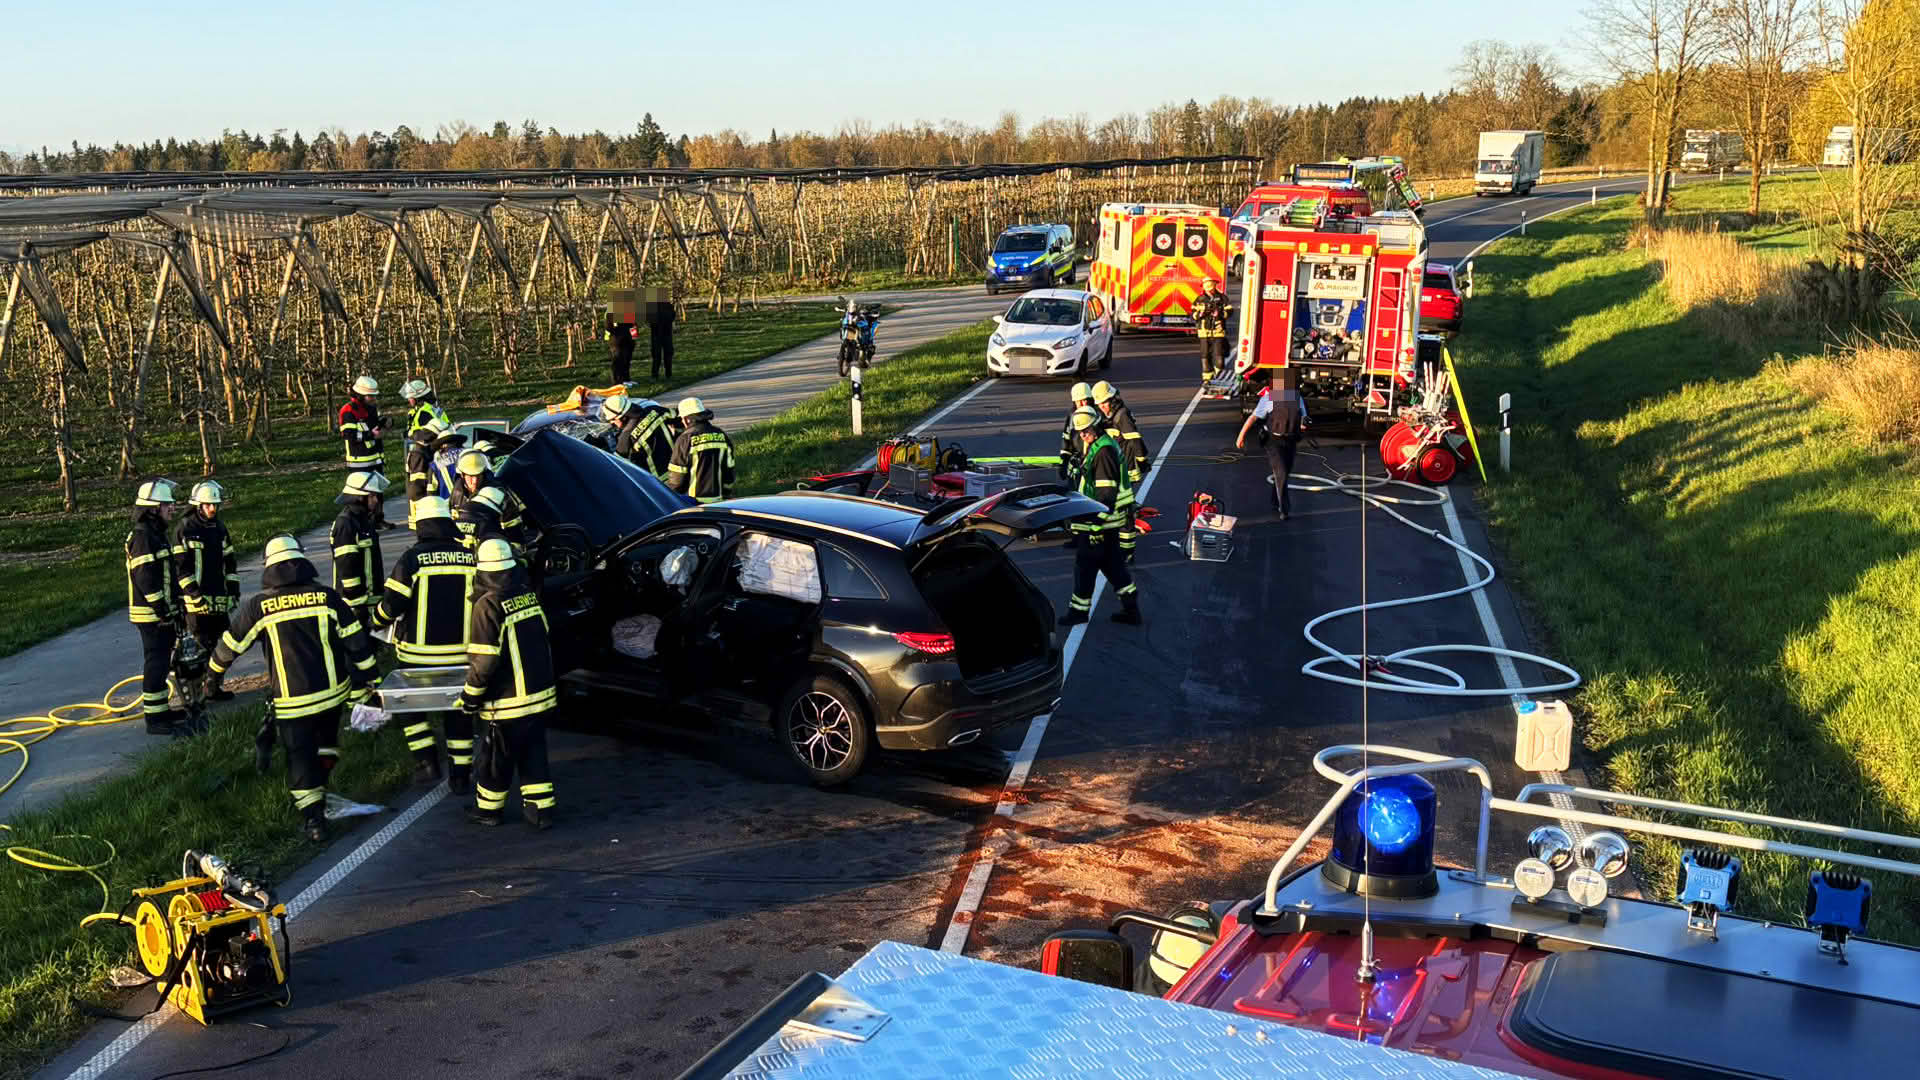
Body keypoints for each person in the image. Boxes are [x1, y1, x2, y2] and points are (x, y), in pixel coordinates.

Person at [210, 534, 377, 842]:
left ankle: (313, 821)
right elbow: (357, 642)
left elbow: (229, 645)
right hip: (331, 695)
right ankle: (320, 786)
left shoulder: (259, 606)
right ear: (302, 561)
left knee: (299, 756)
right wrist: (372, 680)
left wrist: (212, 678)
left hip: (291, 702)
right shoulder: (327, 597)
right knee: (326, 744)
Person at [373, 496, 479, 790]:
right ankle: (460, 775)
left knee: (411, 709)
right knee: (459, 715)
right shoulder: (470, 556)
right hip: (462, 655)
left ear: (421, 526)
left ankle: (427, 761)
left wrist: (375, 622)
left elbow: (391, 605)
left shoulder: (411, 559)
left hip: (416, 657)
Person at [455, 538, 559, 830]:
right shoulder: (527, 594)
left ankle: (487, 810)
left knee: (495, 759)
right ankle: (541, 811)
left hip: (508, 702)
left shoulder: (488, 605)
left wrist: (470, 697)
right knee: (534, 752)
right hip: (541, 695)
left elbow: (484, 662)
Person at [1062, 408, 1141, 626]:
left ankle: (1078, 612)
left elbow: (1106, 493)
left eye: (1086, 430)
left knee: (1084, 567)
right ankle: (1131, 609)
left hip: (1100, 523)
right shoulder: (1099, 445)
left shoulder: (1103, 451)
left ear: (1096, 426)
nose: (1083, 435)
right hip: (1108, 522)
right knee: (1113, 567)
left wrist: (1095, 525)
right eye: (1080, 432)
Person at [126, 478, 187, 734]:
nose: (172, 508)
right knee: (156, 663)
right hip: (151, 615)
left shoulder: (155, 534)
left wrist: (177, 605)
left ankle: (162, 710)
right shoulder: (143, 537)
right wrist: (162, 609)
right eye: (167, 504)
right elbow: (145, 579)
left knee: (163, 663)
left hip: (162, 612)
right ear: (152, 509)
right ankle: (154, 720)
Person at [174, 480, 240, 701]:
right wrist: (194, 594)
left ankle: (213, 687)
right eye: (208, 505)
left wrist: (233, 591)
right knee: (200, 648)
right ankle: (198, 693)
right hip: (196, 602)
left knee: (224, 645)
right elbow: (180, 568)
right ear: (198, 505)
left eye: (215, 505)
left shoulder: (220, 529)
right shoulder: (185, 529)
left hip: (219, 598)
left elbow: (230, 563)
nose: (213, 509)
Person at [1236, 369, 1309, 519]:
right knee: (1281, 471)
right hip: (1273, 440)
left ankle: (1275, 499)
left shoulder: (1297, 398)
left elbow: (1304, 418)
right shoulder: (1269, 398)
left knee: (1285, 472)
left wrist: (1303, 425)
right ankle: (1284, 509)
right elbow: (1253, 418)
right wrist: (1241, 436)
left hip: (1290, 439)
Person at [1091, 381, 1151, 560]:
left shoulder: (1121, 415)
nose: (1102, 407)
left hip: (1125, 469)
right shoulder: (1105, 415)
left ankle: (1126, 551)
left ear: (1113, 398)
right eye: (1099, 404)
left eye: (1105, 402)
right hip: (1112, 467)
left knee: (1123, 509)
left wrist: (1142, 460)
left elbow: (1134, 440)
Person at [338, 375, 392, 527]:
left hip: (375, 458)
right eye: (370, 396)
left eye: (374, 395)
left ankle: (378, 519)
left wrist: (386, 423)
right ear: (360, 395)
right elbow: (348, 435)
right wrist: (370, 435)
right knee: (362, 494)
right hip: (359, 462)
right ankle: (363, 522)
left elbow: (374, 426)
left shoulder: (371, 408)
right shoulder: (348, 411)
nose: (373, 398)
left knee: (378, 491)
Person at [331, 471, 387, 618]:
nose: (376, 500)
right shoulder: (345, 524)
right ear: (359, 497)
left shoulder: (364, 520)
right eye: (372, 496)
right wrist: (357, 603)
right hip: (355, 606)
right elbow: (346, 565)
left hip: (369, 601)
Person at [664, 397, 735, 504]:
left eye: (682, 419)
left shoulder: (685, 439)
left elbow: (677, 478)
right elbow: (729, 470)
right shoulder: (721, 434)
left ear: (687, 419)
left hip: (694, 502)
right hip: (719, 501)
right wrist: (726, 493)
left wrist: (669, 497)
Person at [405, 417, 463, 529]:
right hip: (422, 508)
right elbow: (416, 489)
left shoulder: (426, 452)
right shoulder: (419, 454)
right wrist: (428, 511)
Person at [603, 393, 677, 479]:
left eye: (612, 419)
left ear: (622, 417)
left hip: (659, 482)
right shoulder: (654, 410)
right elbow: (679, 417)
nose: (612, 423)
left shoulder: (625, 438)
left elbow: (618, 467)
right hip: (680, 470)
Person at [1193, 278, 1233, 382]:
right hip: (1204, 332)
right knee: (1205, 356)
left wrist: (1219, 314)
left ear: (1215, 286)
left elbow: (1230, 311)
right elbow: (1193, 314)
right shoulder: (1200, 299)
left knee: (1219, 358)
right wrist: (1200, 314)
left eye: (1210, 288)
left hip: (1218, 332)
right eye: (1207, 288)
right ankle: (1207, 379)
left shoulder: (1222, 298)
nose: (1209, 290)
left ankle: (1218, 376)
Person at [1058, 381, 1094, 480]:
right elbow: (1066, 438)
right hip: (1077, 465)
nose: (1082, 404)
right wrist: (1064, 462)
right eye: (1079, 401)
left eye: (1084, 400)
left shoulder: (1096, 415)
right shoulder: (1072, 416)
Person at [646, 296, 676, 380]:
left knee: (656, 356)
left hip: (656, 334)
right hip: (667, 334)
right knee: (668, 354)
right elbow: (673, 316)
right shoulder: (669, 306)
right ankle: (668, 374)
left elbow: (649, 320)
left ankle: (655, 375)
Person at [604, 313, 636, 385]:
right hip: (616, 342)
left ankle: (626, 379)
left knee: (627, 360)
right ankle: (617, 381)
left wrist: (634, 337)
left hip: (627, 340)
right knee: (617, 361)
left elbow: (633, 326)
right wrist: (607, 339)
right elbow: (608, 328)